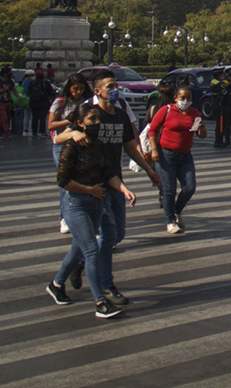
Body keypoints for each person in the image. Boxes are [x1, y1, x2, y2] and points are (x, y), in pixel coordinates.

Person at [45, 103, 137, 319]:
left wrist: (124, 189)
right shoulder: (72, 146)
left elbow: (109, 173)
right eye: (92, 119)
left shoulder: (99, 144)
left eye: (98, 119)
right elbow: (63, 180)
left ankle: (57, 284)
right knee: (91, 251)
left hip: (96, 203)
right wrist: (89, 189)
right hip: (76, 205)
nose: (97, 123)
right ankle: (100, 301)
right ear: (80, 123)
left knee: (77, 250)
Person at [89, 69, 160, 305]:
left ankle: (82, 263)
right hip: (95, 184)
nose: (114, 89)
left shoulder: (119, 115)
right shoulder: (90, 116)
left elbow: (130, 146)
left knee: (118, 233)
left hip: (116, 182)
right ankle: (106, 285)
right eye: (109, 86)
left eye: (115, 85)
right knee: (108, 235)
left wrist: (149, 170)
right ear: (97, 91)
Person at [147, 86, 206, 234]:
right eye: (182, 98)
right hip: (166, 155)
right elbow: (153, 130)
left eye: (188, 98)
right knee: (169, 190)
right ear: (176, 98)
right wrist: (154, 150)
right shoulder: (166, 110)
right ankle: (170, 221)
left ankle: (177, 212)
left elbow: (201, 134)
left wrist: (201, 127)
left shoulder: (194, 113)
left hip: (185, 155)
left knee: (190, 187)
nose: (185, 101)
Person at [48, 74, 91, 233]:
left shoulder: (86, 102)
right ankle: (64, 218)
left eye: (81, 88)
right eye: (75, 89)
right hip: (62, 144)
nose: (78, 92)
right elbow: (51, 125)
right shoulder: (60, 102)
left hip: (81, 145)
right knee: (66, 181)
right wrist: (69, 121)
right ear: (69, 88)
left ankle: (80, 215)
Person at [28, 69, 56, 138]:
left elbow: (29, 92)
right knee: (42, 118)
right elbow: (50, 92)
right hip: (43, 103)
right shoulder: (45, 83)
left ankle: (34, 132)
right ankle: (42, 132)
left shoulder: (32, 82)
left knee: (34, 118)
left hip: (34, 103)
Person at [0, 66, 15, 139]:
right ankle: (7, 133)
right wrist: (0, 91)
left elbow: (13, 89)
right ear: (5, 74)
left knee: (3, 118)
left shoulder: (10, 81)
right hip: (1, 102)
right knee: (4, 118)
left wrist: (17, 97)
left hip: (8, 101)